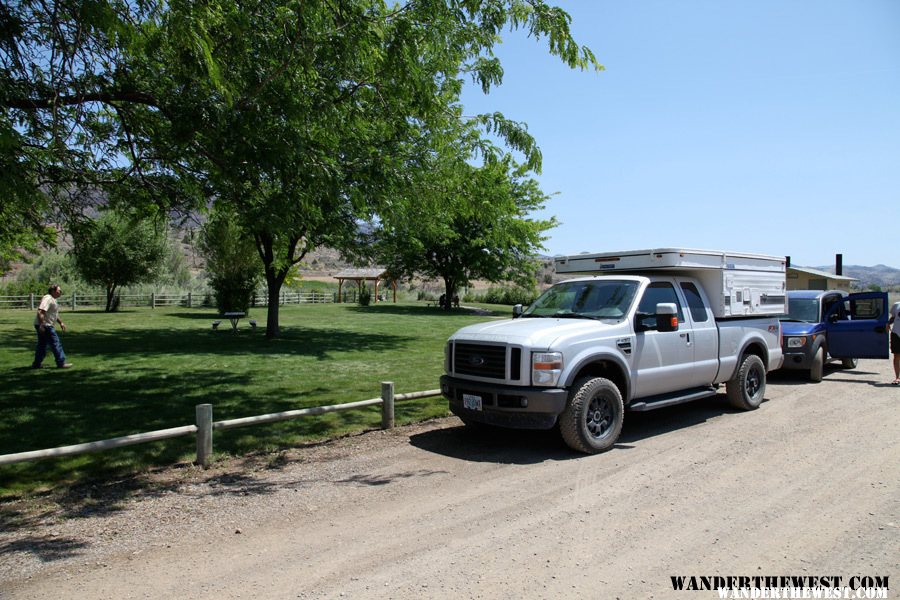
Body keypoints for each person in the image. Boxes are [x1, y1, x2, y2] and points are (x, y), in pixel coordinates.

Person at [32, 284, 73, 369]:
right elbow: (41, 311)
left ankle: (36, 364)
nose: (60, 292)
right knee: (55, 343)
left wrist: (61, 323)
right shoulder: (48, 298)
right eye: (59, 290)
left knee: (42, 345)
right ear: (53, 291)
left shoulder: (53, 300)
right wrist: (42, 324)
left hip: (44, 324)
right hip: (45, 325)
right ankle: (61, 363)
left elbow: (54, 314)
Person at [891, 301, 900, 384]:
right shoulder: (896, 304)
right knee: (896, 356)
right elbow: (893, 317)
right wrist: (888, 323)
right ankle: (897, 377)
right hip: (896, 333)